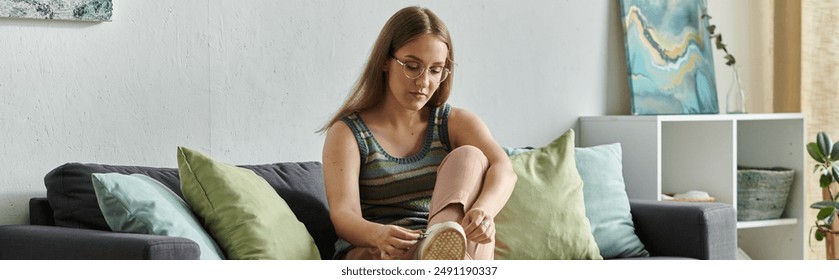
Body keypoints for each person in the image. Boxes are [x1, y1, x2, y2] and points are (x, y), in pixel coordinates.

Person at [319, 6, 516, 260]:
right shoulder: (348, 133)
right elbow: (344, 215)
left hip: (446, 246)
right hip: (382, 252)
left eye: (435, 70)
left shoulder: (454, 122)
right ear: (384, 61)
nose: (424, 82)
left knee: (470, 157)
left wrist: (483, 212)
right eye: (412, 66)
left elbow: (504, 169)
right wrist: (378, 235)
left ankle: (436, 251)